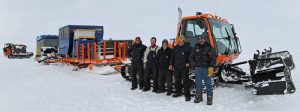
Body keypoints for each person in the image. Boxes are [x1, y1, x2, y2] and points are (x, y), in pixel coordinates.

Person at [189, 35, 216, 105]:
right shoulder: (196, 47)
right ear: (199, 40)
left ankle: (209, 99)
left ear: (205, 40)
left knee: (208, 84)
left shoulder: (209, 47)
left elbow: (214, 57)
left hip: (207, 68)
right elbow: (191, 57)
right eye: (200, 39)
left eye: (203, 39)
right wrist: (194, 65)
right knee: (198, 84)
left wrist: (211, 66)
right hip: (198, 69)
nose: (201, 40)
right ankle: (199, 97)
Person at [169, 35, 192, 101]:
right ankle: (178, 92)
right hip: (176, 67)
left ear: (183, 40)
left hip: (184, 67)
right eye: (179, 40)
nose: (180, 41)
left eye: (182, 40)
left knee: (185, 82)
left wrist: (189, 63)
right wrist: (171, 64)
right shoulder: (175, 47)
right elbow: (172, 57)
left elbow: (191, 56)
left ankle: (187, 95)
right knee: (177, 81)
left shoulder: (188, 47)